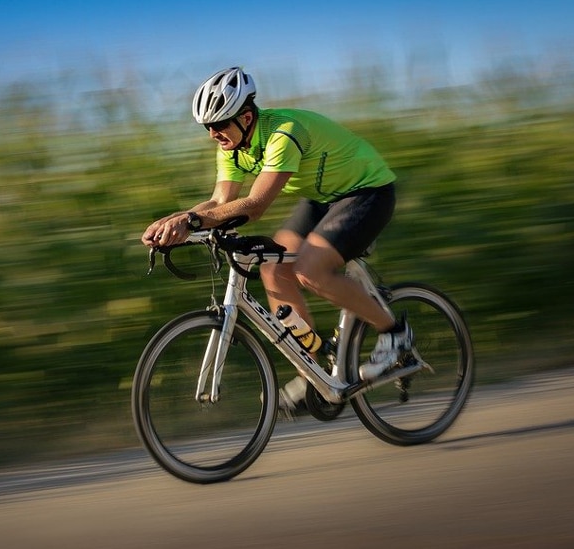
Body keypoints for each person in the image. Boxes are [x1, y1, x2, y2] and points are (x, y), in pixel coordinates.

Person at [141, 66, 412, 415]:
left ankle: (394, 333)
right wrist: (176, 222)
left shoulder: (284, 132)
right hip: (322, 197)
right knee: (273, 268)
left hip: (367, 192)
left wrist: (193, 220)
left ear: (247, 117)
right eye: (208, 127)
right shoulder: (232, 146)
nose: (213, 134)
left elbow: (254, 206)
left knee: (310, 270)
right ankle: (311, 375)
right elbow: (220, 203)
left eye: (220, 124)